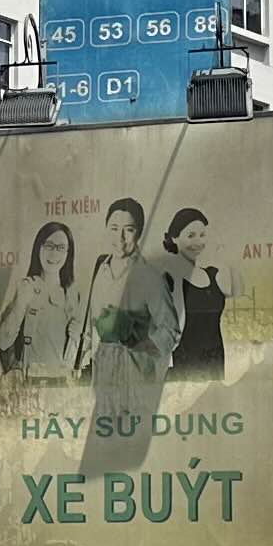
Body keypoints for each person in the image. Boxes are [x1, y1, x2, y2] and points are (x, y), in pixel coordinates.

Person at [78, 197, 181, 474]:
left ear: (139, 232)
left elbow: (171, 330)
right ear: (105, 228)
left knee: (135, 460)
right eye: (114, 228)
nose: (120, 237)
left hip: (136, 379)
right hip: (102, 376)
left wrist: (136, 339)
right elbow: (89, 326)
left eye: (129, 229)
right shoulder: (99, 271)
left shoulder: (149, 276)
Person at [0, 219, 84, 379]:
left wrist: (78, 336)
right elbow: (3, 342)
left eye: (61, 248)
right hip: (29, 383)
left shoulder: (74, 294)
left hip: (61, 383)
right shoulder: (24, 286)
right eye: (49, 245)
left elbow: (81, 354)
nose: (54, 253)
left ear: (68, 253)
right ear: (38, 247)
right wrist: (20, 304)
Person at [161, 206, 229, 377]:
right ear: (174, 238)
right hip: (184, 369)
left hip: (215, 365)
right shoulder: (167, 277)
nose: (198, 241)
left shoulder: (214, 275)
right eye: (191, 236)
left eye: (202, 235)